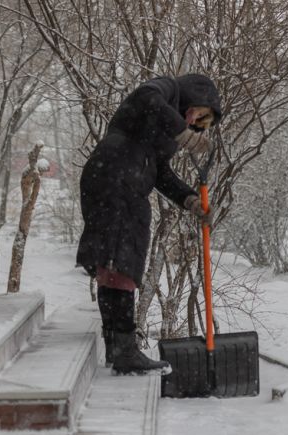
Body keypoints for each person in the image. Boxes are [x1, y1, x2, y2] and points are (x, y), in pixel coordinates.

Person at [77, 74, 221, 375]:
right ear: (195, 97)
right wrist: (182, 132)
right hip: (117, 176)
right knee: (122, 260)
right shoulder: (165, 90)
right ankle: (125, 350)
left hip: (115, 177)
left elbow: (161, 174)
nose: (195, 122)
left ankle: (118, 345)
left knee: (114, 265)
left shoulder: (160, 138)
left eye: (201, 122)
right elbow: (146, 97)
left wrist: (190, 200)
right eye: (199, 114)